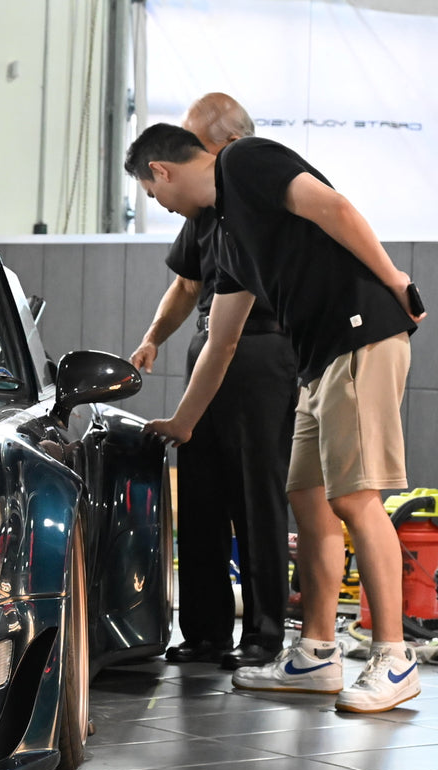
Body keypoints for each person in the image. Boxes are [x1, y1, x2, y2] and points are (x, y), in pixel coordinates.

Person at [123, 122, 425, 713]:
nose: (161, 205)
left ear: (161, 170)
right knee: (308, 497)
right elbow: (221, 341)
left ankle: (395, 657)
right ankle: (317, 653)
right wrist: (184, 423)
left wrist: (393, 279)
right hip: (316, 360)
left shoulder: (244, 161)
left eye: (154, 194)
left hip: (359, 337)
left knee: (356, 498)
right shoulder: (227, 235)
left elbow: (331, 205)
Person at [130, 93, 297, 670]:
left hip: (262, 353)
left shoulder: (261, 202)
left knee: (257, 498)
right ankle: (203, 631)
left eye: (200, 144)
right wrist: (154, 336)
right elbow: (185, 286)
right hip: (210, 353)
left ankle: (264, 634)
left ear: (226, 146)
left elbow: (233, 329)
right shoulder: (203, 212)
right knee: (200, 496)